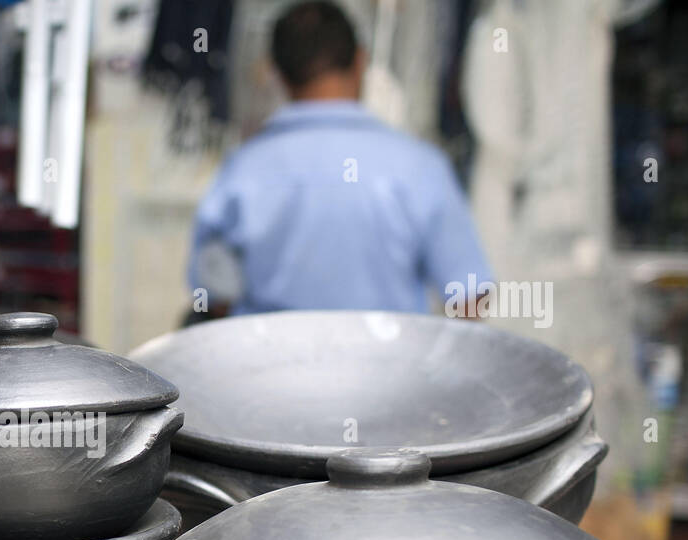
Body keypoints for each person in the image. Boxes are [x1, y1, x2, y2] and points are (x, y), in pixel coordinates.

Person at [188, 0, 491, 319]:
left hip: (268, 366)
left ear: (277, 73)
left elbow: (212, 296)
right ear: (361, 62)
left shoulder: (242, 170)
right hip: (391, 365)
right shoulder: (420, 168)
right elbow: (471, 294)